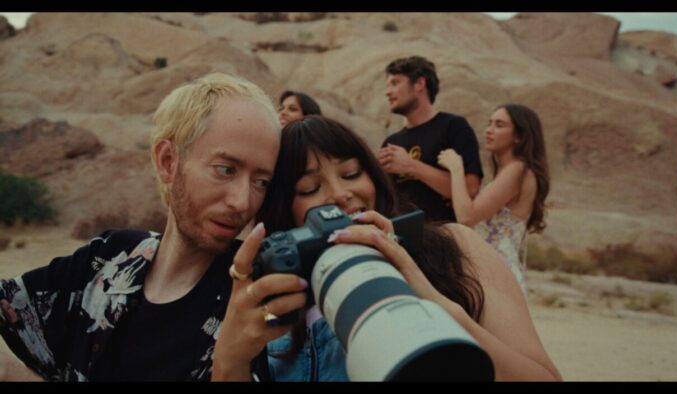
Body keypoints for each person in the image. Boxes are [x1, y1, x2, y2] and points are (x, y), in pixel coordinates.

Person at [211, 115, 561, 381]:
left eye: (350, 174)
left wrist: (434, 303)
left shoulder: (455, 247)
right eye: (309, 188)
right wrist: (231, 357)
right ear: (285, 211)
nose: (339, 194)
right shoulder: (281, 296)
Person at [0, 72, 293, 381]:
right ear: (168, 161)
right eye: (225, 169)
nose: (242, 202)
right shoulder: (108, 259)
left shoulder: (253, 298)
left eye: (261, 182)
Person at [437, 103, 550, 292]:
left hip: (498, 274)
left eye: (499, 125)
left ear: (519, 136)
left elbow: (466, 217)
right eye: (489, 123)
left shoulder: (517, 169)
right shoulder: (512, 171)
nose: (489, 130)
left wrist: (456, 167)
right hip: (491, 270)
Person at [377, 56, 483, 223]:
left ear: (419, 84)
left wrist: (411, 165)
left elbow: (470, 189)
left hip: (446, 237)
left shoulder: (454, 127)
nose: (388, 92)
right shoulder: (392, 142)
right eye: (388, 85)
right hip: (402, 240)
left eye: (395, 83)